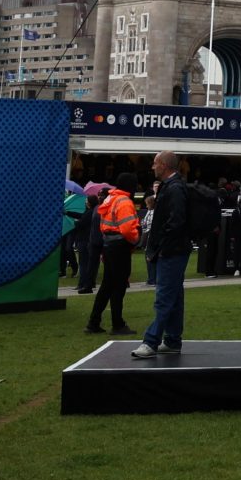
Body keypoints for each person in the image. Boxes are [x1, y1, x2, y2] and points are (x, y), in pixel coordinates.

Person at [131, 151, 202, 360]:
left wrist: (161, 246)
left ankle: (151, 341)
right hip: (174, 249)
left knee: (164, 297)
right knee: (174, 297)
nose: (152, 167)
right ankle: (172, 340)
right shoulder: (173, 186)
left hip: (172, 251)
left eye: (155, 163)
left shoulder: (174, 188)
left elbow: (175, 221)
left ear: (163, 165)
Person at [82, 184, 139, 336]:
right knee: (119, 287)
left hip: (108, 245)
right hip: (120, 247)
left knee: (106, 285)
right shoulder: (124, 201)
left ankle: (93, 322)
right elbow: (127, 228)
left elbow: (102, 224)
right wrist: (135, 240)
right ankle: (117, 324)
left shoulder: (110, 199)